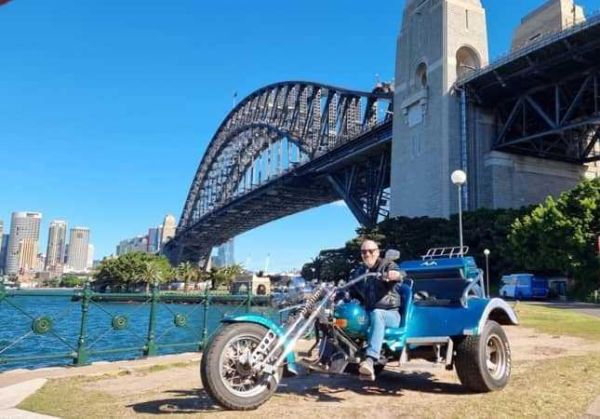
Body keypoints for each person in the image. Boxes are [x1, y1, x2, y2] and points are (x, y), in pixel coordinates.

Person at [347, 239, 403, 380]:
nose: (367, 254)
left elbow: (400, 273)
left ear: (377, 252)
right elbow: (352, 289)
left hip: (390, 314)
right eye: (364, 252)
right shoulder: (360, 271)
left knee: (377, 313)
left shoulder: (387, 264)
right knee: (344, 313)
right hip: (369, 313)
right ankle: (331, 357)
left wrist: (393, 275)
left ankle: (370, 361)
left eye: (371, 251)